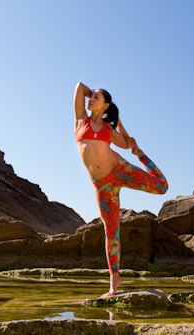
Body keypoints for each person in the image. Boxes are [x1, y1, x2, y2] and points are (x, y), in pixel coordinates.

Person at [73, 82, 168, 297]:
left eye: (96, 97)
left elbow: (126, 143)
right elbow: (79, 87)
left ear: (106, 105)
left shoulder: (108, 129)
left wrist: (117, 120)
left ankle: (144, 158)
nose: (91, 99)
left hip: (120, 170)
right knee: (111, 231)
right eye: (92, 97)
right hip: (102, 185)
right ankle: (114, 280)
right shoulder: (80, 120)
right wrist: (96, 98)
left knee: (161, 186)